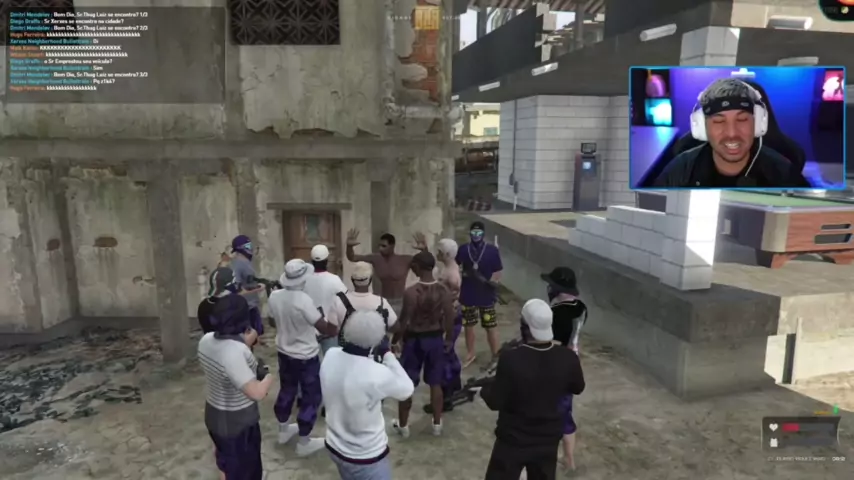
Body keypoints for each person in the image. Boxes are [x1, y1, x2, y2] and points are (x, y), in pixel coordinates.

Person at [480, 299, 585, 480]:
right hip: (548, 439)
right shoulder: (568, 358)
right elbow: (578, 387)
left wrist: (485, 389)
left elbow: (495, 402)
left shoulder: (511, 359)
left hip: (513, 439)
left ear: (524, 327)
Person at [653, 78, 810, 188]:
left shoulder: (784, 174)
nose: (732, 133)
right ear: (702, 127)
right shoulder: (679, 171)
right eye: (718, 121)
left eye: (742, 119)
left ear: (758, 124)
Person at [197, 266, 274, 480]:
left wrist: (243, 343)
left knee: (225, 460)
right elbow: (256, 393)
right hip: (238, 423)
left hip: (213, 414)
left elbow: (225, 356)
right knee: (247, 470)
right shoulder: (235, 352)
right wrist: (268, 377)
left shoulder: (205, 341)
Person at [320, 310, 415, 479]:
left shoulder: (330, 355)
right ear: (377, 339)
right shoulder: (376, 373)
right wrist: (388, 355)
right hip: (365, 456)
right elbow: (407, 389)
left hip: (335, 445)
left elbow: (353, 366)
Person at [268, 258, 339, 457]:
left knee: (287, 389)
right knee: (311, 396)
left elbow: (272, 322)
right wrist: (334, 319)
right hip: (306, 356)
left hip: (284, 352)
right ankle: (304, 441)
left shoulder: (275, 296)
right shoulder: (303, 300)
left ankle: (283, 430)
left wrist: (289, 325)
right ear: (303, 279)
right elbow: (325, 329)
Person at [390, 251, 456, 437]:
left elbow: (404, 321)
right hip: (435, 338)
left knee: (407, 383)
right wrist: (449, 339)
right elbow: (450, 316)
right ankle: (437, 423)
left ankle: (404, 426)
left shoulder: (411, 292)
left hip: (415, 340)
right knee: (436, 383)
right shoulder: (443, 291)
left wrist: (395, 341)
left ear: (418, 267)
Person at [541, 267, 589, 471]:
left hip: (556, 363)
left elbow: (552, 342)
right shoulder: (581, 307)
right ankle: (569, 459)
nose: (549, 288)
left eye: (552, 285)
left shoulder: (557, 313)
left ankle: (554, 457)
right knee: (566, 411)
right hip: (572, 361)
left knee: (551, 411)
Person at [345, 229, 427, 315]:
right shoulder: (376, 259)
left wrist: (424, 250)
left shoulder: (404, 260)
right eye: (379, 246)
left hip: (401, 301)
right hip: (383, 301)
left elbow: (426, 262)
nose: (380, 249)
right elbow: (352, 257)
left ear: (392, 246)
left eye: (384, 246)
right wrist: (349, 246)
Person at [424, 238, 463, 414]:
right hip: (448, 315)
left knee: (443, 355)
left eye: (439, 251)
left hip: (449, 317)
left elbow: (450, 297)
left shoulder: (451, 274)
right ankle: (452, 388)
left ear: (446, 253)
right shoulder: (448, 269)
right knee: (448, 353)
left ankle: (445, 397)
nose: (437, 253)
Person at [456, 221, 503, 366]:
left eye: (479, 232)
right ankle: (470, 353)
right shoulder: (463, 249)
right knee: (468, 325)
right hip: (468, 293)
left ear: (483, 233)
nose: (476, 235)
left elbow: (498, 271)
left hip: (486, 294)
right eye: (473, 232)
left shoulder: (492, 250)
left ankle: (496, 355)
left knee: (490, 325)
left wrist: (493, 282)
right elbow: (455, 266)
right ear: (470, 233)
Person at [303, 244, 348, 355]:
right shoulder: (335, 280)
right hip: (330, 329)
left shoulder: (303, 280)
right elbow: (346, 301)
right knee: (331, 361)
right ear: (327, 261)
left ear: (311, 261)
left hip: (309, 331)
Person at [229, 235, 267, 337]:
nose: (251, 248)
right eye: (248, 246)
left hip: (252, 305)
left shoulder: (247, 262)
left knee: (256, 336)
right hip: (244, 308)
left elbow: (248, 282)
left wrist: (258, 285)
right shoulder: (237, 265)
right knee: (248, 337)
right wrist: (258, 289)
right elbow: (236, 290)